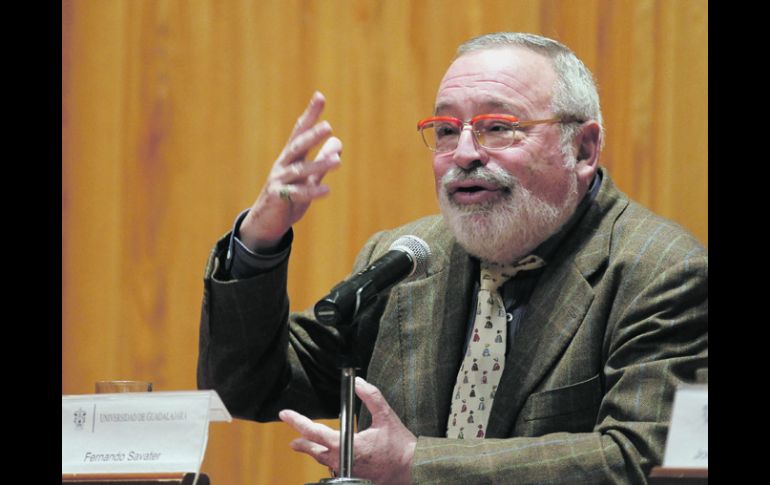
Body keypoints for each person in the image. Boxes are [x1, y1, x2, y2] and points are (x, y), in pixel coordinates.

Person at [197, 32, 707, 485]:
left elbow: (643, 459)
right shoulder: (403, 260)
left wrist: (416, 463)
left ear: (584, 147)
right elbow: (247, 389)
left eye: (498, 127)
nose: (464, 152)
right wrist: (260, 238)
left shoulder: (660, 272)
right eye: (445, 130)